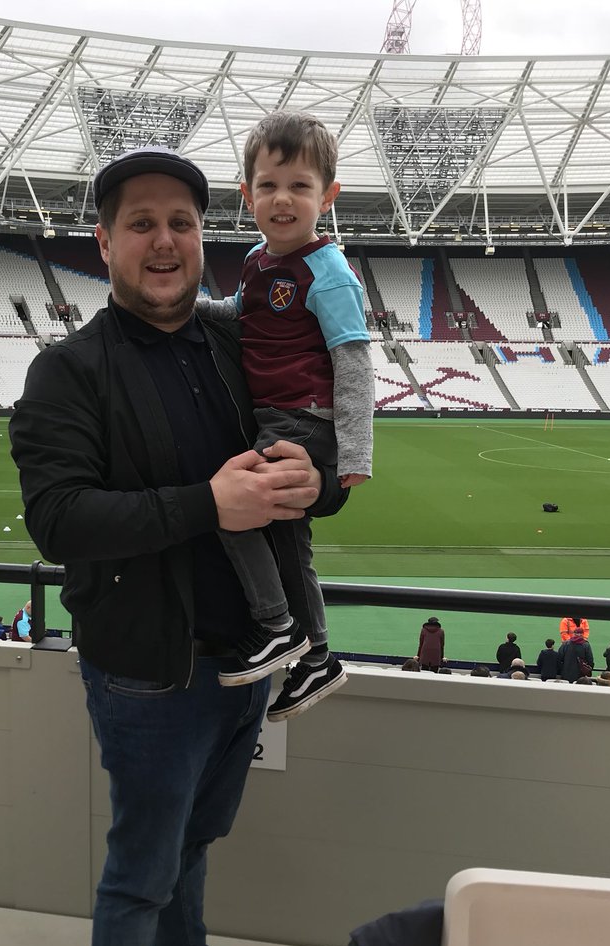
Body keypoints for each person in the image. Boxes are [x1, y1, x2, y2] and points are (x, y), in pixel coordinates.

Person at [9, 145, 344, 946]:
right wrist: (208, 504)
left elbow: (319, 461)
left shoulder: (242, 340)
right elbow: (58, 519)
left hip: (249, 656)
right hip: (148, 672)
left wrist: (310, 474)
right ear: (103, 241)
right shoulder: (66, 371)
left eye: (183, 224)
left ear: (206, 240)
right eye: (142, 222)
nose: (165, 241)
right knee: (140, 869)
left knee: (201, 832)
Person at [195, 111, 373, 720]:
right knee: (289, 542)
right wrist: (192, 310)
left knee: (230, 507)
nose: (283, 199)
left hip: (301, 418)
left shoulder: (329, 272)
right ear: (247, 196)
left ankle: (278, 627)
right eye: (269, 185)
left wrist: (355, 455)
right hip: (274, 416)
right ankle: (317, 657)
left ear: (328, 195)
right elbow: (242, 313)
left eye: (299, 186)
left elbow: (353, 366)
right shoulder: (257, 260)